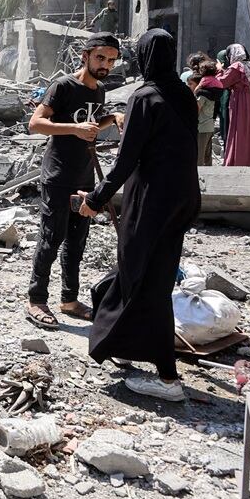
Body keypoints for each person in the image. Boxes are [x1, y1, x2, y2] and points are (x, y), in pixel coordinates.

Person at [77, 28, 200, 402]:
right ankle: (122, 341)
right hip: (183, 198)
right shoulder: (183, 94)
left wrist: (95, 200)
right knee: (151, 274)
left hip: (151, 200)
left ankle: (165, 378)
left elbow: (126, 160)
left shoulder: (145, 97)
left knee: (139, 277)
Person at [25, 32, 122, 330]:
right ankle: (36, 300)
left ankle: (69, 299)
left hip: (84, 176)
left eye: (111, 60)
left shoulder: (100, 90)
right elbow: (36, 123)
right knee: (52, 238)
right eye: (100, 58)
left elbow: (92, 124)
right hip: (58, 176)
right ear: (85, 56)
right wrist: (74, 128)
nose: (105, 64)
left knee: (77, 241)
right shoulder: (64, 86)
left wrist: (114, 117)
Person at [193, 61, 223, 166]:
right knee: (207, 155)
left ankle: (199, 179)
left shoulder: (202, 94)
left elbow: (196, 109)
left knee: (199, 156)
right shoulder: (215, 90)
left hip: (201, 127)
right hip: (210, 125)